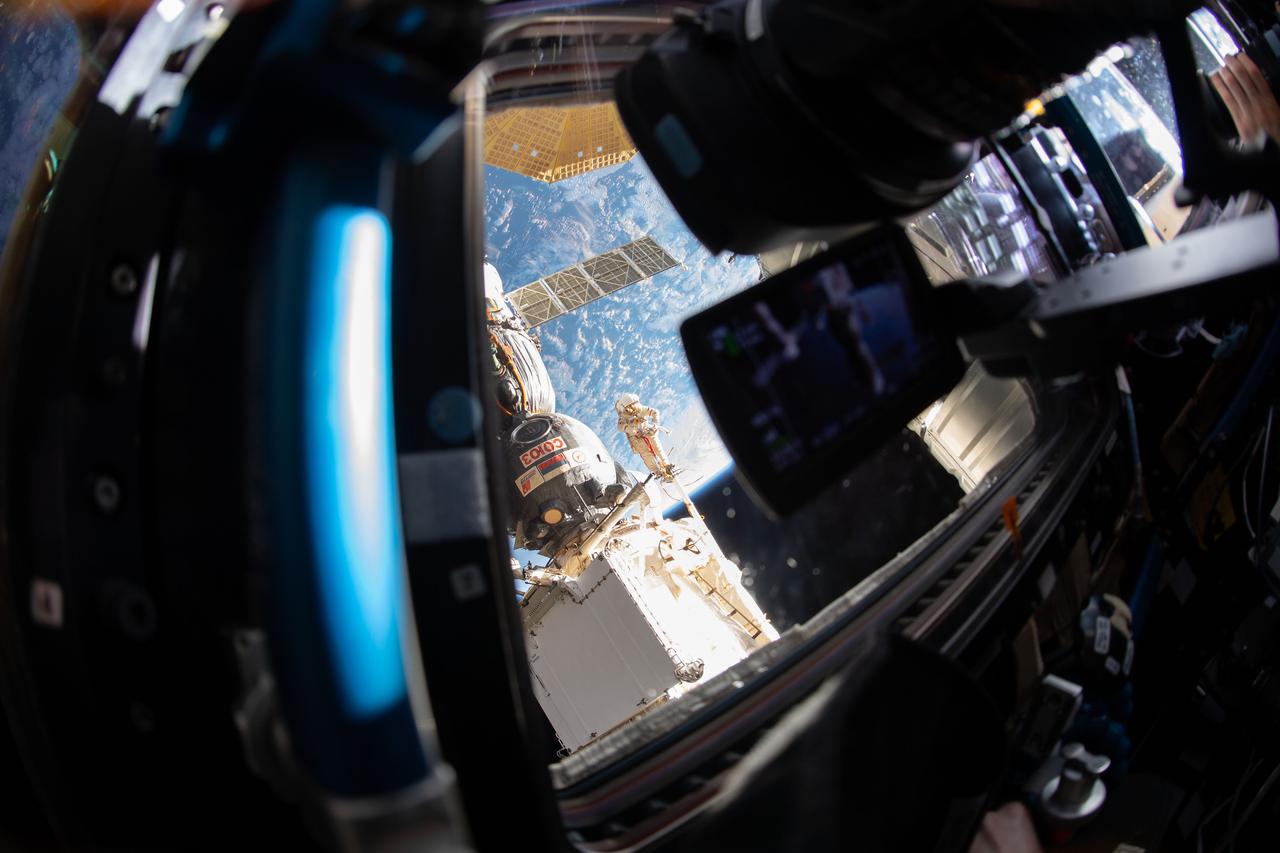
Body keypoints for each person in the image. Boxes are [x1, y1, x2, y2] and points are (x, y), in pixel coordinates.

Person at [615, 393, 676, 481]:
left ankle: (666, 465)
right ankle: (656, 471)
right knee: (646, 455)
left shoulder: (641, 409)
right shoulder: (623, 417)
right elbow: (620, 427)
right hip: (636, 438)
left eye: (632, 407)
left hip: (648, 431)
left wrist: (655, 423)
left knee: (657, 448)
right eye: (628, 408)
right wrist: (632, 430)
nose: (631, 410)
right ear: (625, 408)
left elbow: (655, 412)